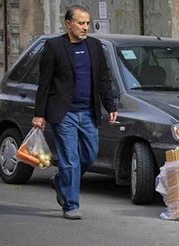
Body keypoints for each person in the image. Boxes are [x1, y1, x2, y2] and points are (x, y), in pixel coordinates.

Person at [32, 5, 118, 220]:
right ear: (68, 24)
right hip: (64, 114)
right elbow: (44, 83)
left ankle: (61, 180)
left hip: (89, 112)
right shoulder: (53, 47)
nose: (85, 27)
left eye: (87, 23)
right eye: (81, 23)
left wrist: (111, 105)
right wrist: (39, 114)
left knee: (89, 154)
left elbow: (103, 78)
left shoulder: (95, 46)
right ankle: (71, 205)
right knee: (70, 159)